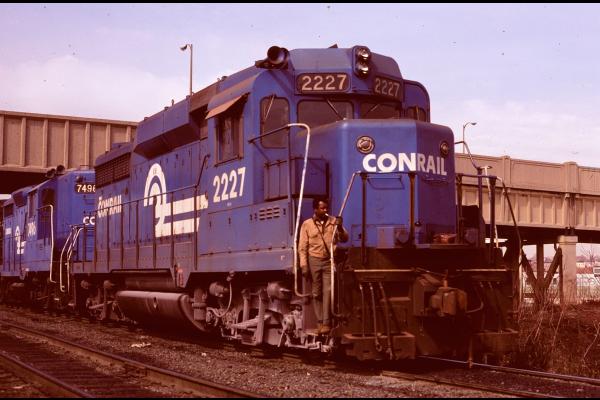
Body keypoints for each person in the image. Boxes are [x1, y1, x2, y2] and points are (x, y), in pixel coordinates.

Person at [298, 197, 348, 335]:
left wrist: (340, 227)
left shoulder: (334, 222)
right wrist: (304, 265)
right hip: (313, 260)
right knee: (316, 292)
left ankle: (326, 323)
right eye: (322, 208)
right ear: (315, 209)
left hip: (329, 261)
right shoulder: (307, 224)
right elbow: (302, 247)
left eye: (326, 208)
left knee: (328, 291)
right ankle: (319, 322)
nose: (325, 210)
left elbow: (345, 239)